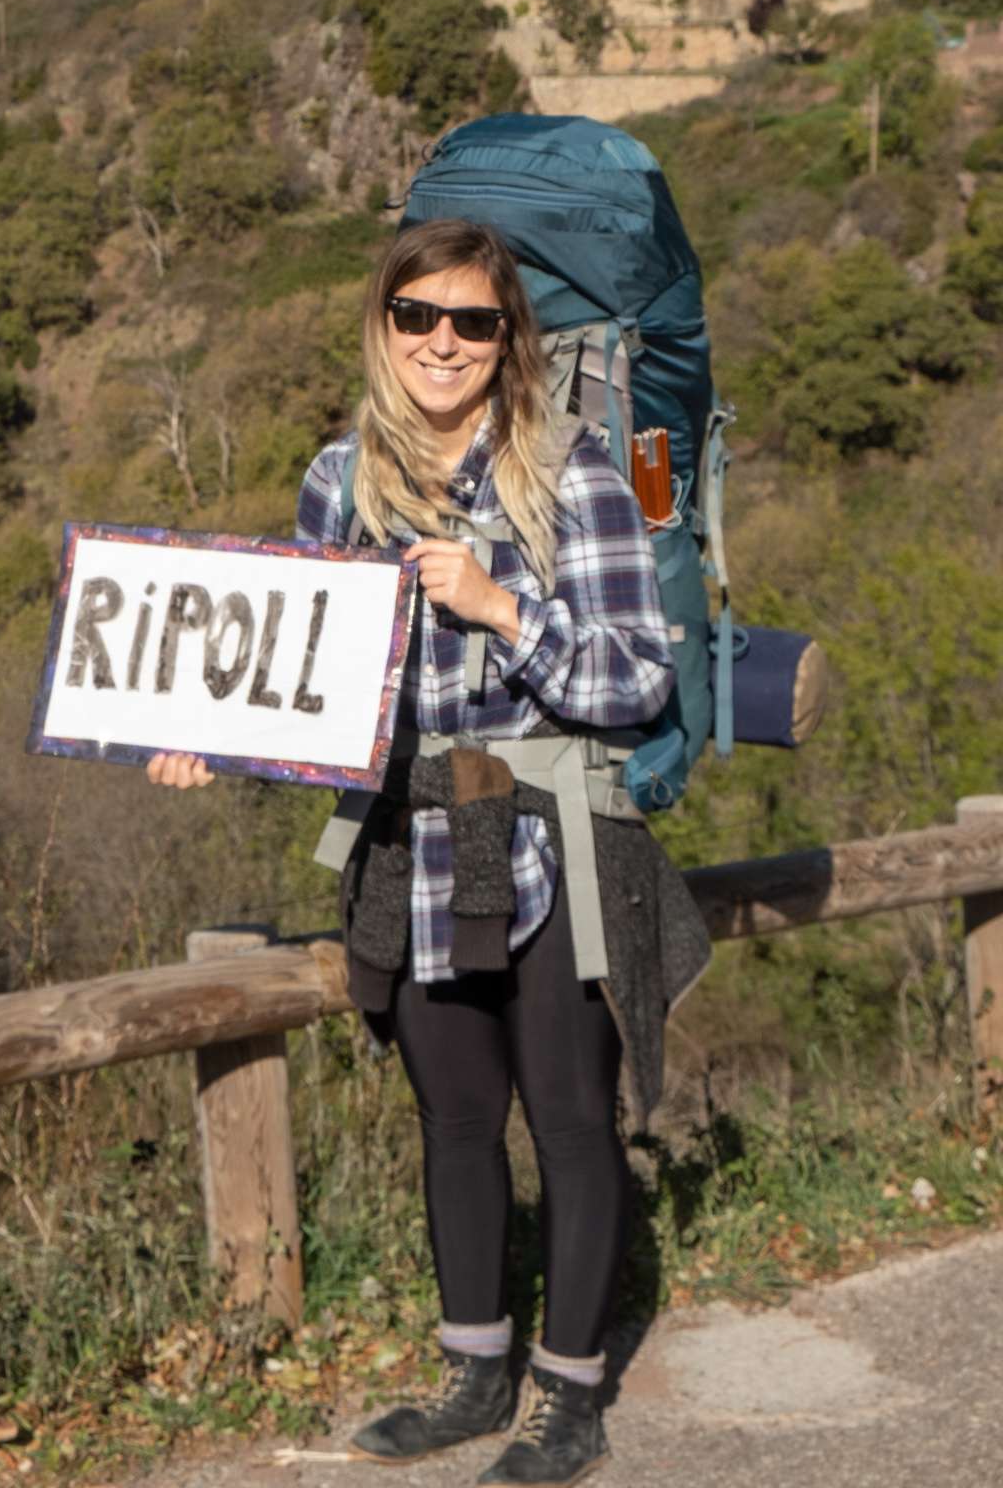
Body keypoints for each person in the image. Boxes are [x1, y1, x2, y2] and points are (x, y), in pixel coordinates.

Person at [148, 217, 709, 1486]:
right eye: (419, 318)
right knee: (454, 1118)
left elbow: (633, 678)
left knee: (570, 1121)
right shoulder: (339, 480)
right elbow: (304, 680)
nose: (443, 344)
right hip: (413, 842)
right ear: (383, 325)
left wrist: (498, 605)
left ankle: (568, 1396)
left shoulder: (572, 475)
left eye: (472, 321)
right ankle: (472, 1373)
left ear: (508, 337)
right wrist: (208, 741)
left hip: (555, 836)